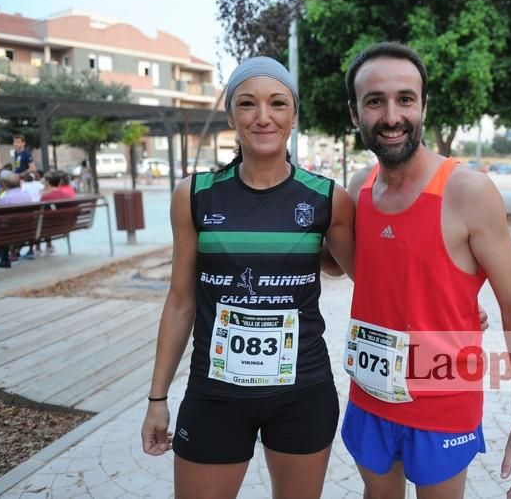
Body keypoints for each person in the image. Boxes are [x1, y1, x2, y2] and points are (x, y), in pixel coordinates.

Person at [140, 56, 355, 499]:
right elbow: (180, 302)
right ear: (231, 115)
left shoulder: (328, 198)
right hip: (215, 392)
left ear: (293, 114)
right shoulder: (194, 195)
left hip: (303, 392)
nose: (263, 117)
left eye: (277, 103)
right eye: (247, 104)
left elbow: (369, 277)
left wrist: (455, 306)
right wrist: (157, 399)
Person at [340, 42, 511, 499]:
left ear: (424, 107)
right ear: (355, 113)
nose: (392, 115)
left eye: (405, 99)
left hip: (442, 405)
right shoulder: (358, 188)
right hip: (369, 394)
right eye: (375, 101)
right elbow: (365, 271)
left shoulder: (467, 191)